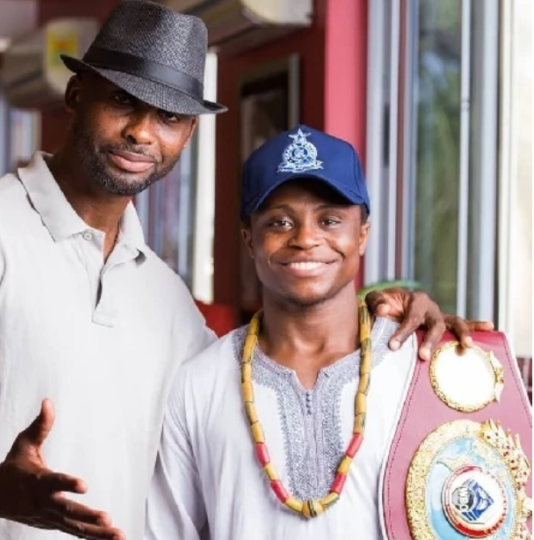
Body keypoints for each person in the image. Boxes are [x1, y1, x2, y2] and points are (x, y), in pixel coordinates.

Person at [0, 3, 488, 540]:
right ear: (77, 95)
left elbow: (269, 360)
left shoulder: (169, 303)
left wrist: (398, 306)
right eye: (123, 102)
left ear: (187, 134)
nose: (141, 132)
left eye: (169, 117)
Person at [144, 125, 487, 539]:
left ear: (361, 235)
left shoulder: (422, 366)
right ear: (249, 239)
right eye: (280, 222)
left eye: (330, 219)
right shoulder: (199, 384)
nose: (306, 238)